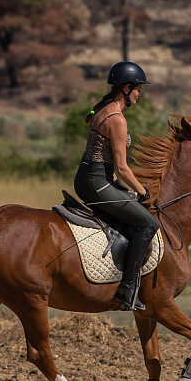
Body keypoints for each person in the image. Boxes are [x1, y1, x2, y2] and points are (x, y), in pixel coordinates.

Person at [74, 61, 160, 311]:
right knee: (148, 223)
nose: (139, 94)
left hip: (89, 178)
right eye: (137, 89)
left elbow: (89, 118)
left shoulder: (102, 108)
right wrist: (143, 192)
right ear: (125, 88)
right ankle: (127, 290)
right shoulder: (117, 120)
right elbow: (122, 168)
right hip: (97, 183)